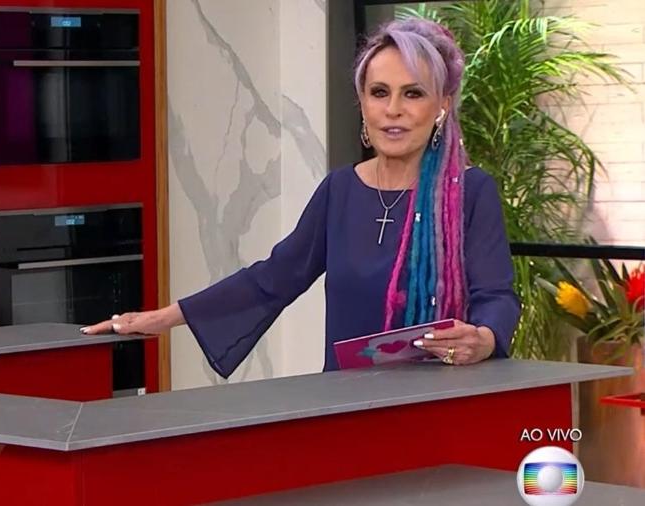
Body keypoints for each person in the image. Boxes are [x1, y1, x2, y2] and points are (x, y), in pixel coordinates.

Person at [82, 18, 521, 377]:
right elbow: (273, 278)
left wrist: (484, 338)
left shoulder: (471, 192)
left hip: (438, 406)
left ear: (442, 105)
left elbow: (496, 296)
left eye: (413, 93)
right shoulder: (339, 190)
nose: (393, 110)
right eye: (379, 93)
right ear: (362, 103)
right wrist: (160, 318)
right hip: (344, 408)